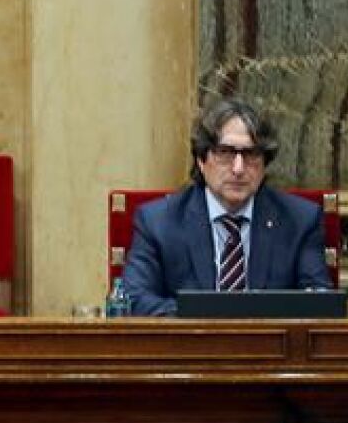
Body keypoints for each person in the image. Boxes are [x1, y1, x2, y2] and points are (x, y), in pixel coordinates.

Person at [120, 98, 331, 316]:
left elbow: (320, 304)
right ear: (201, 161)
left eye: (251, 154)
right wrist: (212, 317)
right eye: (225, 153)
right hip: (189, 346)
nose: (238, 169)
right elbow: (134, 300)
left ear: (264, 164)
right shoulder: (158, 222)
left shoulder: (300, 220)